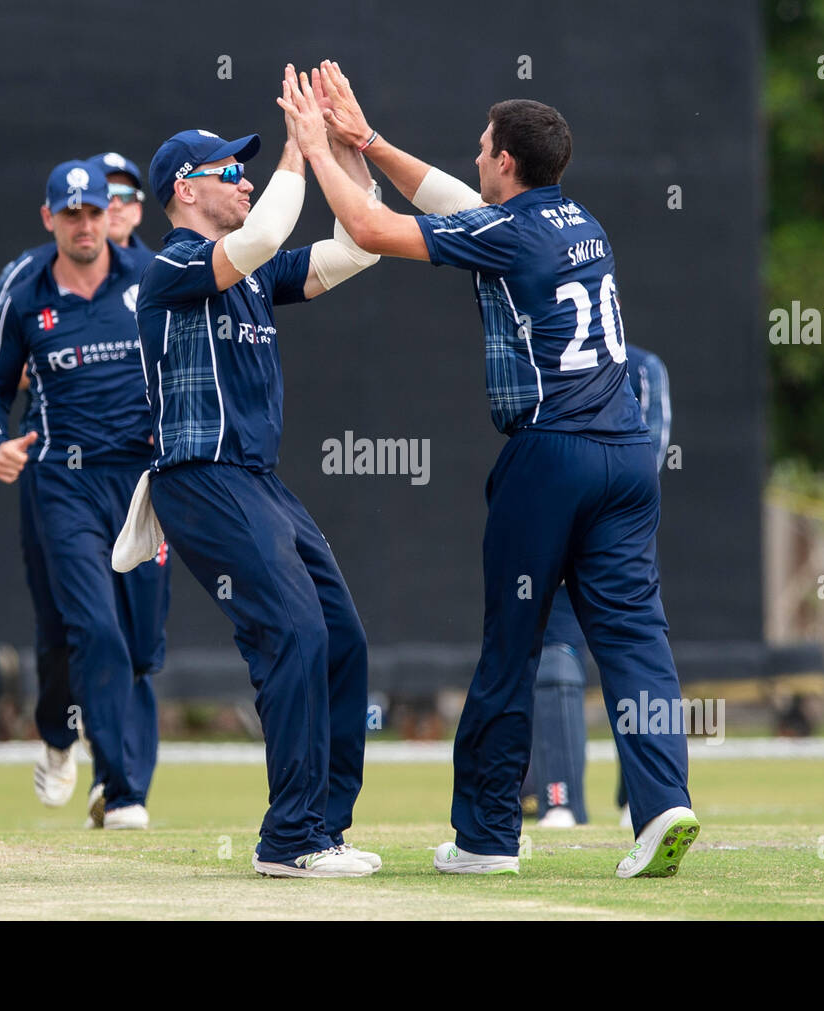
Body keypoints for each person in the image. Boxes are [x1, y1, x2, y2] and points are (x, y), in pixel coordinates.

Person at [280, 62, 698, 878]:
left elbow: (368, 228)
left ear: (506, 161)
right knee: (638, 639)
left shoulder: (509, 231)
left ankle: (485, 838)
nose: (474, 157)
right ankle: (663, 805)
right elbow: (450, 203)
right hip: (629, 455)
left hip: (553, 456)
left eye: (481, 147)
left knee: (513, 644)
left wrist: (315, 148)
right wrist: (365, 140)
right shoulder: (580, 221)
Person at [131, 69, 385, 878]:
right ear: (184, 190)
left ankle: (324, 827)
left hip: (256, 480)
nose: (243, 180)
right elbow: (268, 235)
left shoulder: (249, 272)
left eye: (247, 169)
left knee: (340, 636)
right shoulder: (170, 266)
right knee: (295, 632)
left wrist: (348, 152)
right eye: (226, 171)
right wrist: (297, 151)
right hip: (200, 478)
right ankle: (291, 840)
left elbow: (359, 244)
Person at [0, 160, 170, 830]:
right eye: (72, 212)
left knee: (141, 646)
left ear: (119, 211)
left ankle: (104, 763)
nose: (87, 223)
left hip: (143, 483)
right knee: (87, 628)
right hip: (61, 480)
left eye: (97, 210)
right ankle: (120, 788)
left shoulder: (151, 277)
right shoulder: (26, 286)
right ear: (50, 216)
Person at [525, 345, 671, 829]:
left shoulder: (642, 368)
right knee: (558, 657)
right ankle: (560, 801)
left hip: (612, 535)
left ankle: (646, 800)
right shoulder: (539, 360)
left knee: (632, 653)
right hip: (568, 528)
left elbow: (649, 455)